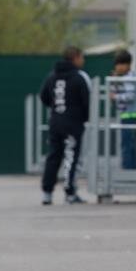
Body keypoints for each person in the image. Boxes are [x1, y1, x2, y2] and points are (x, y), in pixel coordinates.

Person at [40, 46, 91, 205]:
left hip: (55, 122)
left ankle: (47, 193)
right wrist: (84, 118)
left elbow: (43, 97)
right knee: (71, 157)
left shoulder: (52, 76)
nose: (83, 60)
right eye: (82, 57)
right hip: (73, 123)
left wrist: (56, 108)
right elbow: (87, 101)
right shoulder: (79, 77)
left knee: (53, 156)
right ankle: (70, 193)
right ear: (75, 58)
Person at [110, 49, 136, 170]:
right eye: (116, 65)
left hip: (130, 117)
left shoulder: (128, 78)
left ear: (127, 65)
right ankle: (132, 173)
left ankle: (128, 173)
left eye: (119, 64)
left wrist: (115, 96)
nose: (117, 67)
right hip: (131, 116)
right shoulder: (129, 76)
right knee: (132, 147)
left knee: (127, 147)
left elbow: (130, 96)